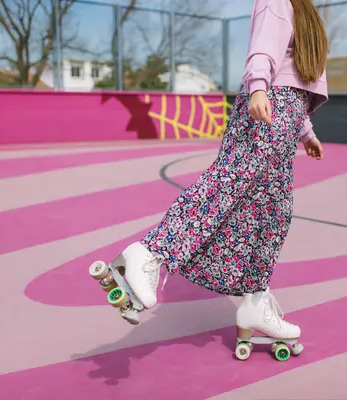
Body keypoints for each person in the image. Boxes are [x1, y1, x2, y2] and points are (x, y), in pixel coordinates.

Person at [107, 0, 328, 341]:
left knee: (274, 212)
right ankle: (149, 253)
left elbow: (295, 76)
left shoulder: (306, 11)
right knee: (229, 183)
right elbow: (264, 50)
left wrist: (306, 132)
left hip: (288, 112)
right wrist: (257, 87)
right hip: (270, 103)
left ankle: (254, 302)